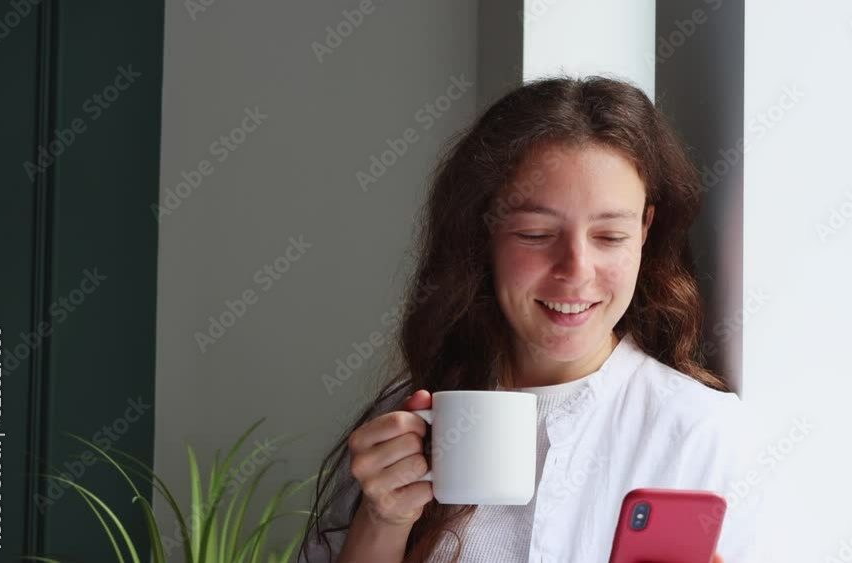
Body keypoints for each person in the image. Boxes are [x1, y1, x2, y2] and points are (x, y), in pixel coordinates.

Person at [299, 76, 761, 563]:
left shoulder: (700, 431)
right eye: (536, 234)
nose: (576, 271)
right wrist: (383, 519)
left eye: (609, 236)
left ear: (645, 229)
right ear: (485, 229)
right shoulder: (408, 421)